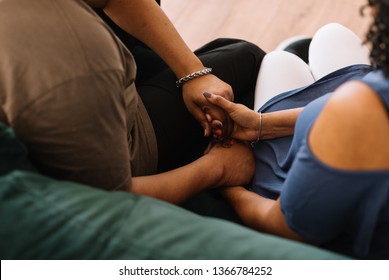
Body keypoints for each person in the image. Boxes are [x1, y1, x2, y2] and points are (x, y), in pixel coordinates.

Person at [0, 0, 265, 208]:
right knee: (246, 56)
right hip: (117, 152)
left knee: (224, 54)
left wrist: (191, 72)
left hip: (75, 90)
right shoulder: (76, 60)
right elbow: (107, 202)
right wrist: (217, 169)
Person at [203, 0, 389, 259]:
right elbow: (348, 118)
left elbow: (283, 226)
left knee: (278, 61)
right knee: (330, 35)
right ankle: (302, 66)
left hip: (304, 207)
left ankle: (297, 66)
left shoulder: (359, 111)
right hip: (345, 129)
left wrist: (228, 186)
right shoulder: (360, 109)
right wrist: (261, 125)